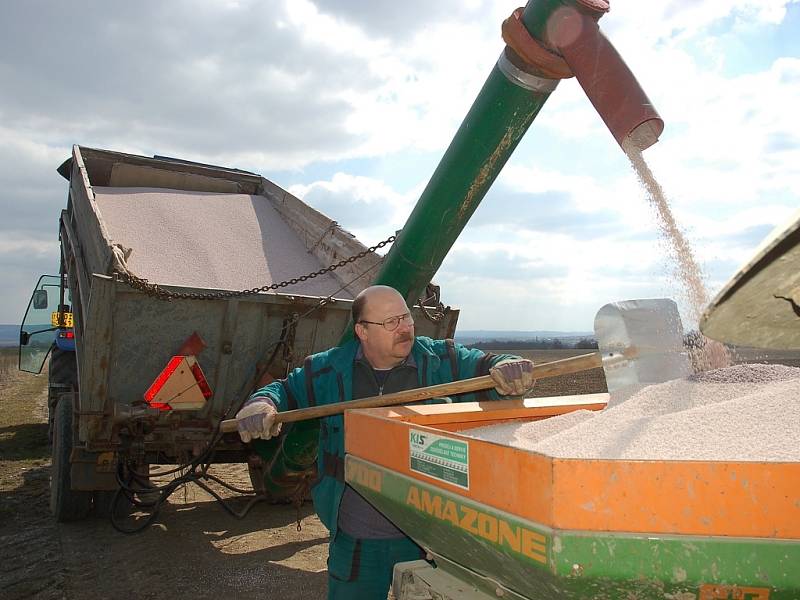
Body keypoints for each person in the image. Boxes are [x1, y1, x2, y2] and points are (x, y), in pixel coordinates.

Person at [235, 285, 535, 600]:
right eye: (391, 322)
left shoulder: (439, 360)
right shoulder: (329, 369)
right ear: (362, 331)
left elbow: (491, 366)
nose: (405, 328)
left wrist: (509, 368)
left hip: (428, 538)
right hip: (357, 538)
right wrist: (263, 404)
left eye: (406, 317)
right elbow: (285, 390)